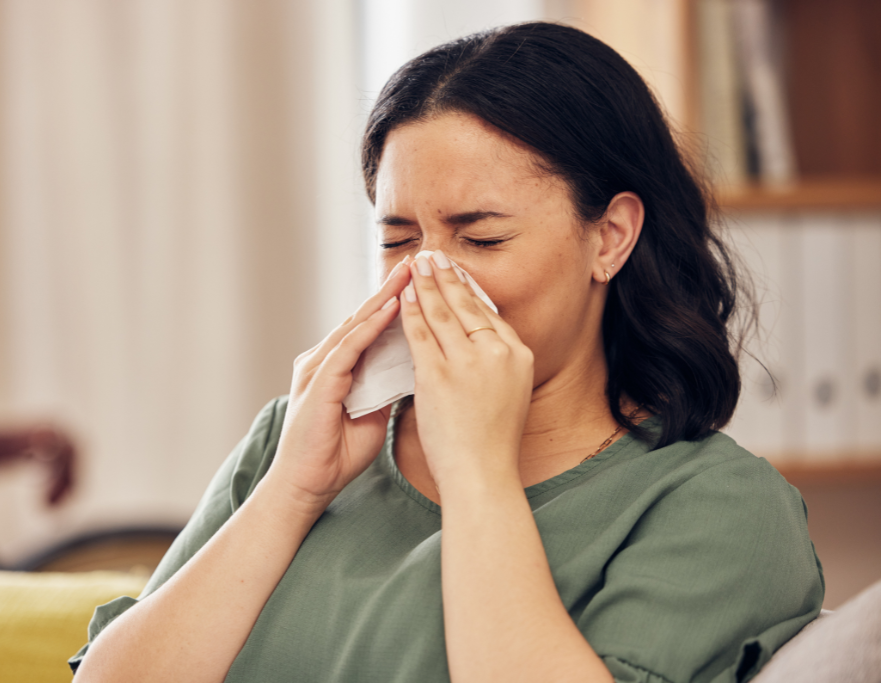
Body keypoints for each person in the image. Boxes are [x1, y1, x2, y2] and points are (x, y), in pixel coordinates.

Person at [70, 22, 823, 683]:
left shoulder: (719, 507)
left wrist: (476, 472)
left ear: (610, 237)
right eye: (397, 239)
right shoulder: (292, 441)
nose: (424, 277)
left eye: (482, 238)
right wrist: (291, 492)